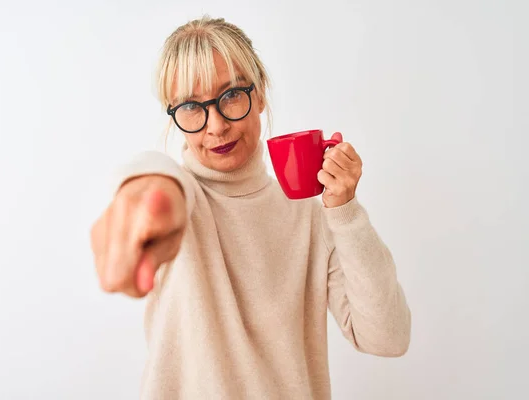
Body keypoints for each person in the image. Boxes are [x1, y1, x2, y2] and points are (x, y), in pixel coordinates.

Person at [90, 15, 411, 399]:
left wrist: (345, 211)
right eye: (192, 106)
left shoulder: (311, 216)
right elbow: (156, 180)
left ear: (259, 95)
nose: (216, 126)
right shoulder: (180, 196)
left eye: (230, 96)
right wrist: (146, 190)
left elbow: (388, 338)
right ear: (174, 117)